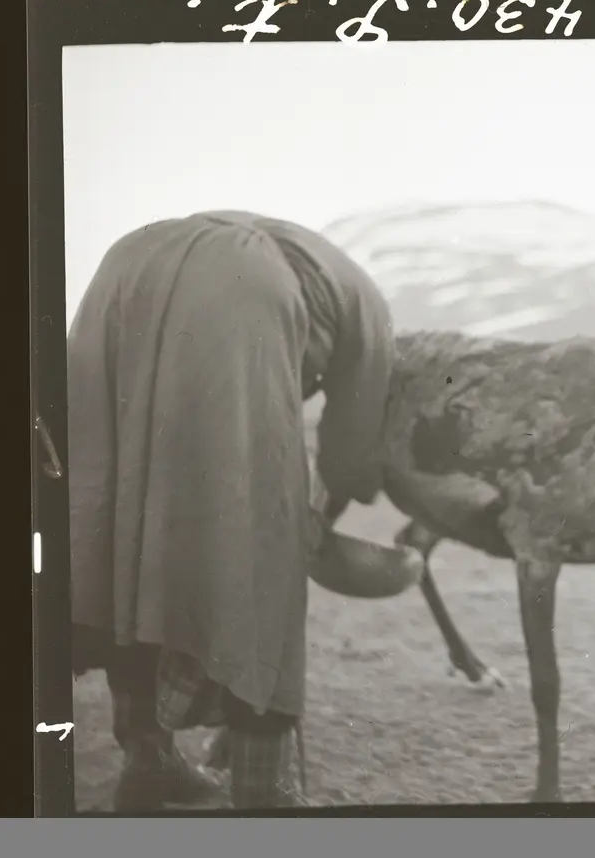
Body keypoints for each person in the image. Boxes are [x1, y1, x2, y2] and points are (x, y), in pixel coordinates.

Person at [68, 210, 394, 810]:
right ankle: (263, 790)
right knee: (260, 562)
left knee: (120, 536)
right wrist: (310, 524)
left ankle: (148, 760)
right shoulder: (370, 311)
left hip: (124, 265)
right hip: (241, 286)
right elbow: (351, 454)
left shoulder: (313, 267)